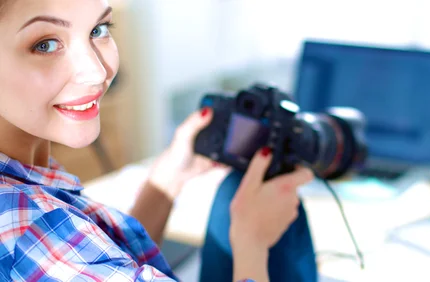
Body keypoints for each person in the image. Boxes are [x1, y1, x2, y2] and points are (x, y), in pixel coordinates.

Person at [0, 0, 315, 281]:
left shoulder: (25, 179)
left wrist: (167, 179)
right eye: (45, 45)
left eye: (98, 30)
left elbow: (108, 264)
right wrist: (251, 244)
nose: (96, 72)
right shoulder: (30, 228)